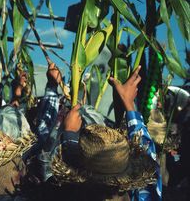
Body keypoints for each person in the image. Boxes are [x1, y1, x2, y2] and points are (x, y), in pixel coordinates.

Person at [35, 63, 162, 201]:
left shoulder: (61, 192)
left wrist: (69, 134)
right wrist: (129, 105)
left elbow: (47, 157)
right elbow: (149, 159)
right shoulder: (142, 196)